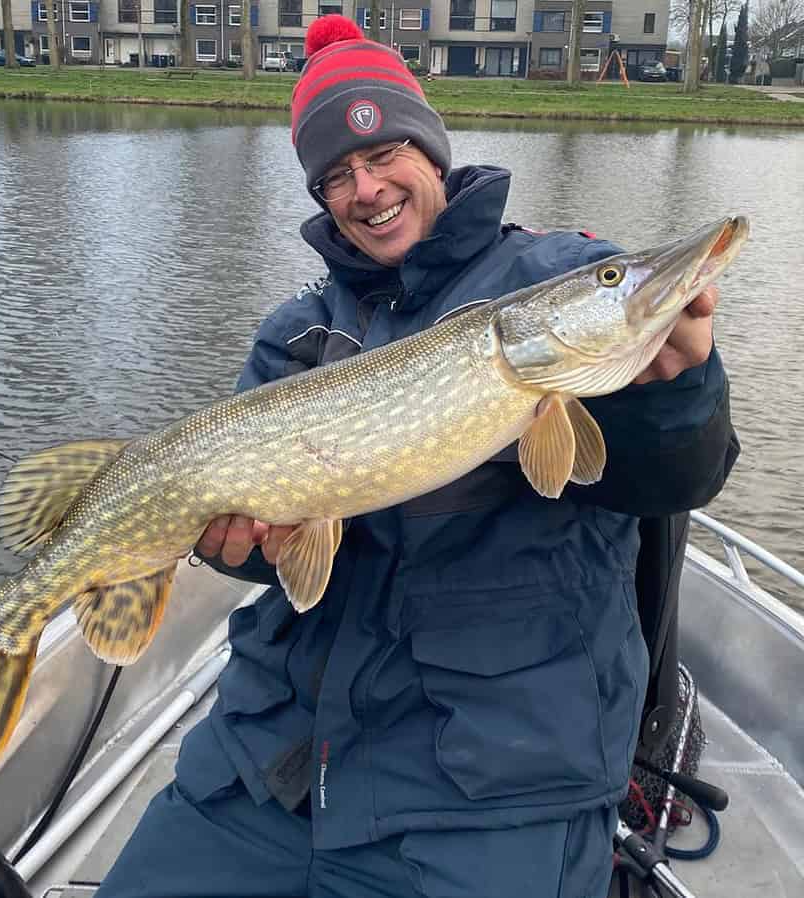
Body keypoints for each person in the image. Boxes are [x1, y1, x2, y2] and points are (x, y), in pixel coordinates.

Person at [97, 15, 737, 898]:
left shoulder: (555, 272)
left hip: (489, 797)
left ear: (432, 152)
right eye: (335, 175)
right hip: (260, 772)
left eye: (385, 151)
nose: (366, 188)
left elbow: (678, 476)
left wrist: (675, 387)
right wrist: (223, 544)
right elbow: (265, 562)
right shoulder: (296, 332)